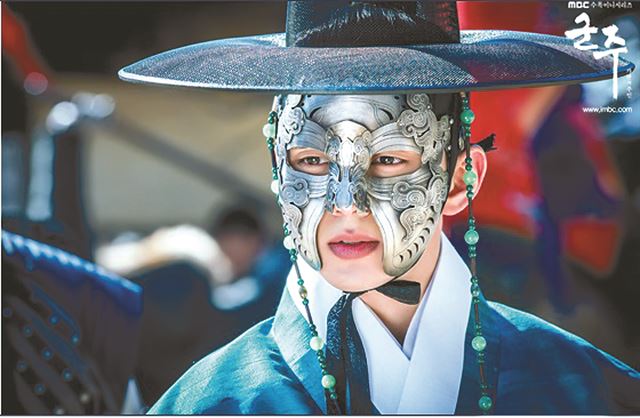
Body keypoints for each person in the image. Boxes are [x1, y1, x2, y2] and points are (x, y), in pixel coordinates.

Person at [118, 1, 640, 414]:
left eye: (389, 159)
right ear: (278, 173)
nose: (346, 204)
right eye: (311, 160)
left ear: (462, 176)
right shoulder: (211, 405)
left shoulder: (587, 393)